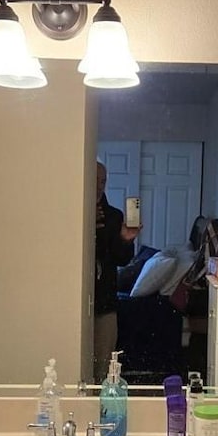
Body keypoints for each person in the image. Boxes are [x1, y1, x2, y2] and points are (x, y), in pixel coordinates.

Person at [94, 161, 140, 383]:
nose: (99, 186)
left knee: (103, 366)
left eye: (103, 181)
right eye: (94, 180)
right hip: (73, 302)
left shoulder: (114, 216)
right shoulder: (70, 214)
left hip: (105, 301)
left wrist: (124, 239)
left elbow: (122, 259)